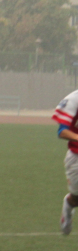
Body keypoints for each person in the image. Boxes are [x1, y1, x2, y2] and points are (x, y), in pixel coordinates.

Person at [52, 88, 78, 234]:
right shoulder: (74, 99)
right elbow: (62, 132)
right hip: (76, 157)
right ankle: (68, 206)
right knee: (76, 199)